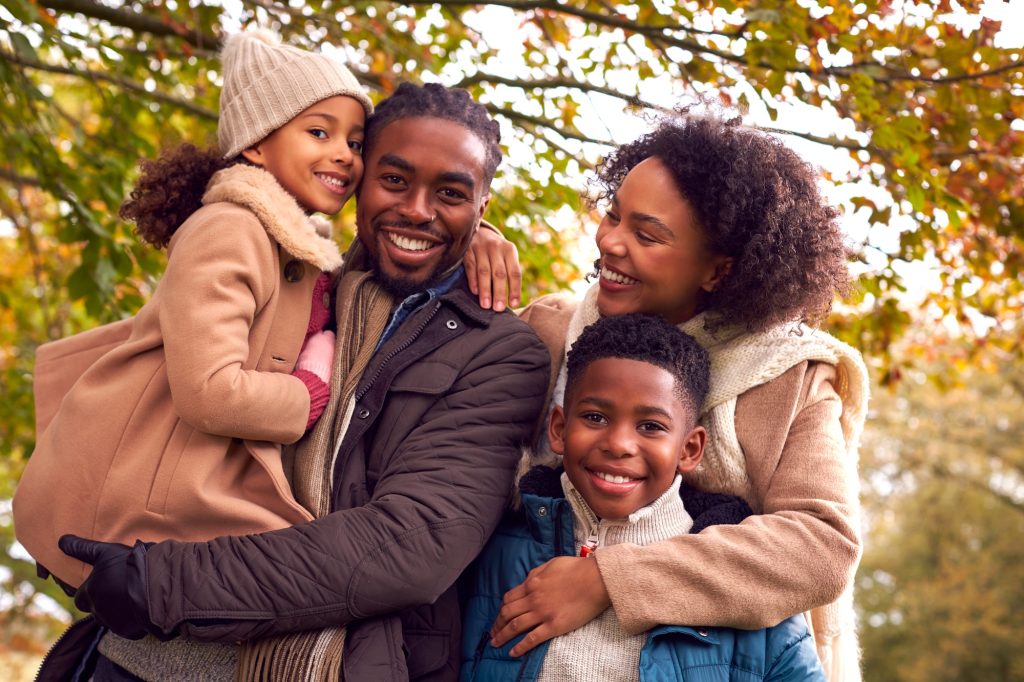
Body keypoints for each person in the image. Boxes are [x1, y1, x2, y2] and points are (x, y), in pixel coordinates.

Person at [46, 81, 550, 682]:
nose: (417, 209)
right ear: (357, 181)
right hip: (137, 656)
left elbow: (412, 544)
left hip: (324, 660)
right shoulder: (298, 277)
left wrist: (160, 582)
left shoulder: (501, 350)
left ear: (482, 207)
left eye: (450, 194)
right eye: (394, 180)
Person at [492, 111, 869, 682]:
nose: (611, 243)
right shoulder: (552, 331)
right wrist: (474, 240)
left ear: (719, 271)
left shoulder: (787, 379)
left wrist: (610, 580)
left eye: (647, 235)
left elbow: (821, 545)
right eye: (613, 215)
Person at [14, 28, 375, 591]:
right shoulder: (231, 228)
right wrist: (309, 392)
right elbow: (210, 391)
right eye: (318, 131)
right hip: (146, 490)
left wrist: (478, 234)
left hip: (202, 475)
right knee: (320, 585)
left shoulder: (296, 244)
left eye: (355, 142)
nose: (343, 155)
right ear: (257, 143)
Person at [461, 313, 826, 681]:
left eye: (650, 426)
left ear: (690, 449)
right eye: (595, 417)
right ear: (559, 428)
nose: (619, 444)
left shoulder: (747, 592)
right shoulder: (489, 549)